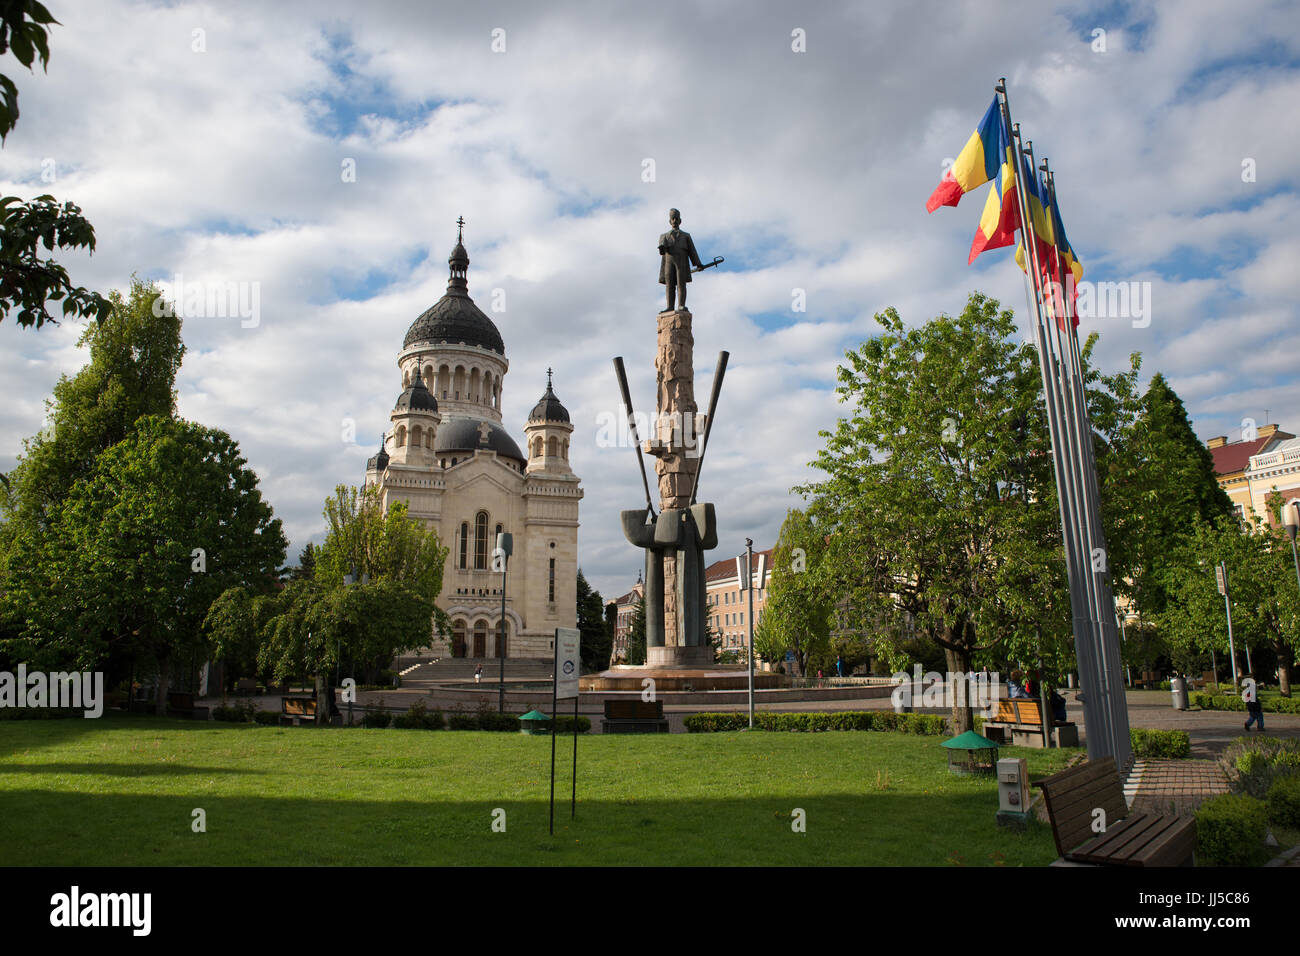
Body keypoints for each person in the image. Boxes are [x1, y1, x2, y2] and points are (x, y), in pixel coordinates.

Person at [658, 208, 704, 311]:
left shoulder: (686, 236)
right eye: (672, 219)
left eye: (676, 218)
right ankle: (669, 307)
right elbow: (661, 252)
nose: (674, 221)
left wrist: (698, 264)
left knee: (681, 284)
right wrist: (662, 248)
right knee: (669, 285)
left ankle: (681, 305)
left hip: (682, 262)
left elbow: (692, 251)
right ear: (670, 221)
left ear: (680, 221)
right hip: (669, 262)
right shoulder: (664, 236)